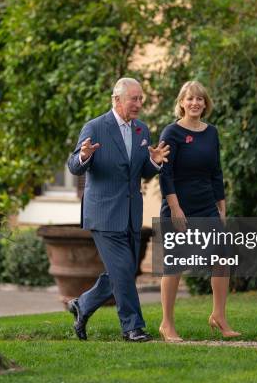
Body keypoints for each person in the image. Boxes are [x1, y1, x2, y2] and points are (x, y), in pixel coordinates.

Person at [67, 77, 170, 342]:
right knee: (123, 270)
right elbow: (74, 166)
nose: (138, 104)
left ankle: (83, 305)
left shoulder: (142, 131)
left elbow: (140, 172)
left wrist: (155, 163)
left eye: (140, 99)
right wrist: (84, 155)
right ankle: (132, 327)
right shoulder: (95, 127)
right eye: (133, 99)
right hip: (103, 213)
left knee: (121, 271)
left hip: (131, 214)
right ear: (117, 100)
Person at [158, 81, 241, 342]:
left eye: (200, 99)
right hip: (179, 206)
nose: (195, 103)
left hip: (207, 206)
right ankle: (166, 324)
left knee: (222, 258)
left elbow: (216, 172)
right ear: (181, 103)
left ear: (206, 104)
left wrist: (222, 208)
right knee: (175, 264)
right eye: (190, 99)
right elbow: (165, 173)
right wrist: (174, 207)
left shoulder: (211, 132)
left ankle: (219, 316)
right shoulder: (171, 133)